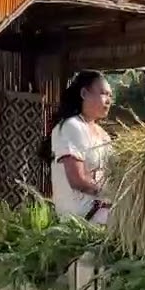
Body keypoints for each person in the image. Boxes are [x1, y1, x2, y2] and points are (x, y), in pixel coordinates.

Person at [40, 70, 113, 224]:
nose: (108, 100)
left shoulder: (104, 135)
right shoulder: (71, 126)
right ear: (84, 93)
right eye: (103, 93)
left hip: (103, 210)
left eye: (110, 96)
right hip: (80, 218)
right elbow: (77, 180)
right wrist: (110, 194)